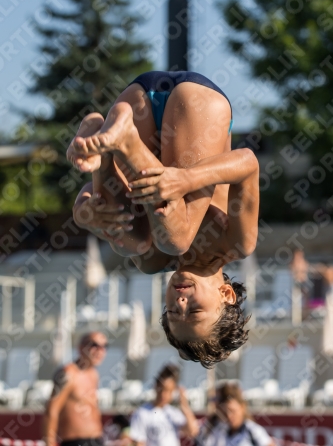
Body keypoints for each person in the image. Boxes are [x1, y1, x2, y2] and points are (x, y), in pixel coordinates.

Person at [67, 71, 260, 366]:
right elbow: (247, 161)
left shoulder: (154, 257)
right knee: (175, 240)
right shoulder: (235, 243)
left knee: (133, 247)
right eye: (193, 311)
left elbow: (102, 198)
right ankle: (124, 140)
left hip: (139, 100)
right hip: (198, 105)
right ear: (226, 294)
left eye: (172, 312)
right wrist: (186, 179)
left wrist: (85, 212)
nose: (180, 303)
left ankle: (103, 149)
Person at [44, 331, 108, 446]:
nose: (100, 351)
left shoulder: (94, 374)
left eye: (104, 346)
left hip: (97, 440)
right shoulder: (68, 374)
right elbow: (51, 410)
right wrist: (49, 442)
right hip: (75, 441)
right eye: (94, 345)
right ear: (81, 347)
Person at [130, 364, 199, 446]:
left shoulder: (174, 413)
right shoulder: (142, 413)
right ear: (155, 387)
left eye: (169, 391)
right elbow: (139, 442)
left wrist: (184, 405)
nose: (164, 395)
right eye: (161, 389)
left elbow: (193, 431)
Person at [195, 383, 273, 446]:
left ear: (242, 407)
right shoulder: (217, 430)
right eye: (225, 412)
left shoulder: (253, 431)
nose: (229, 416)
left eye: (233, 411)